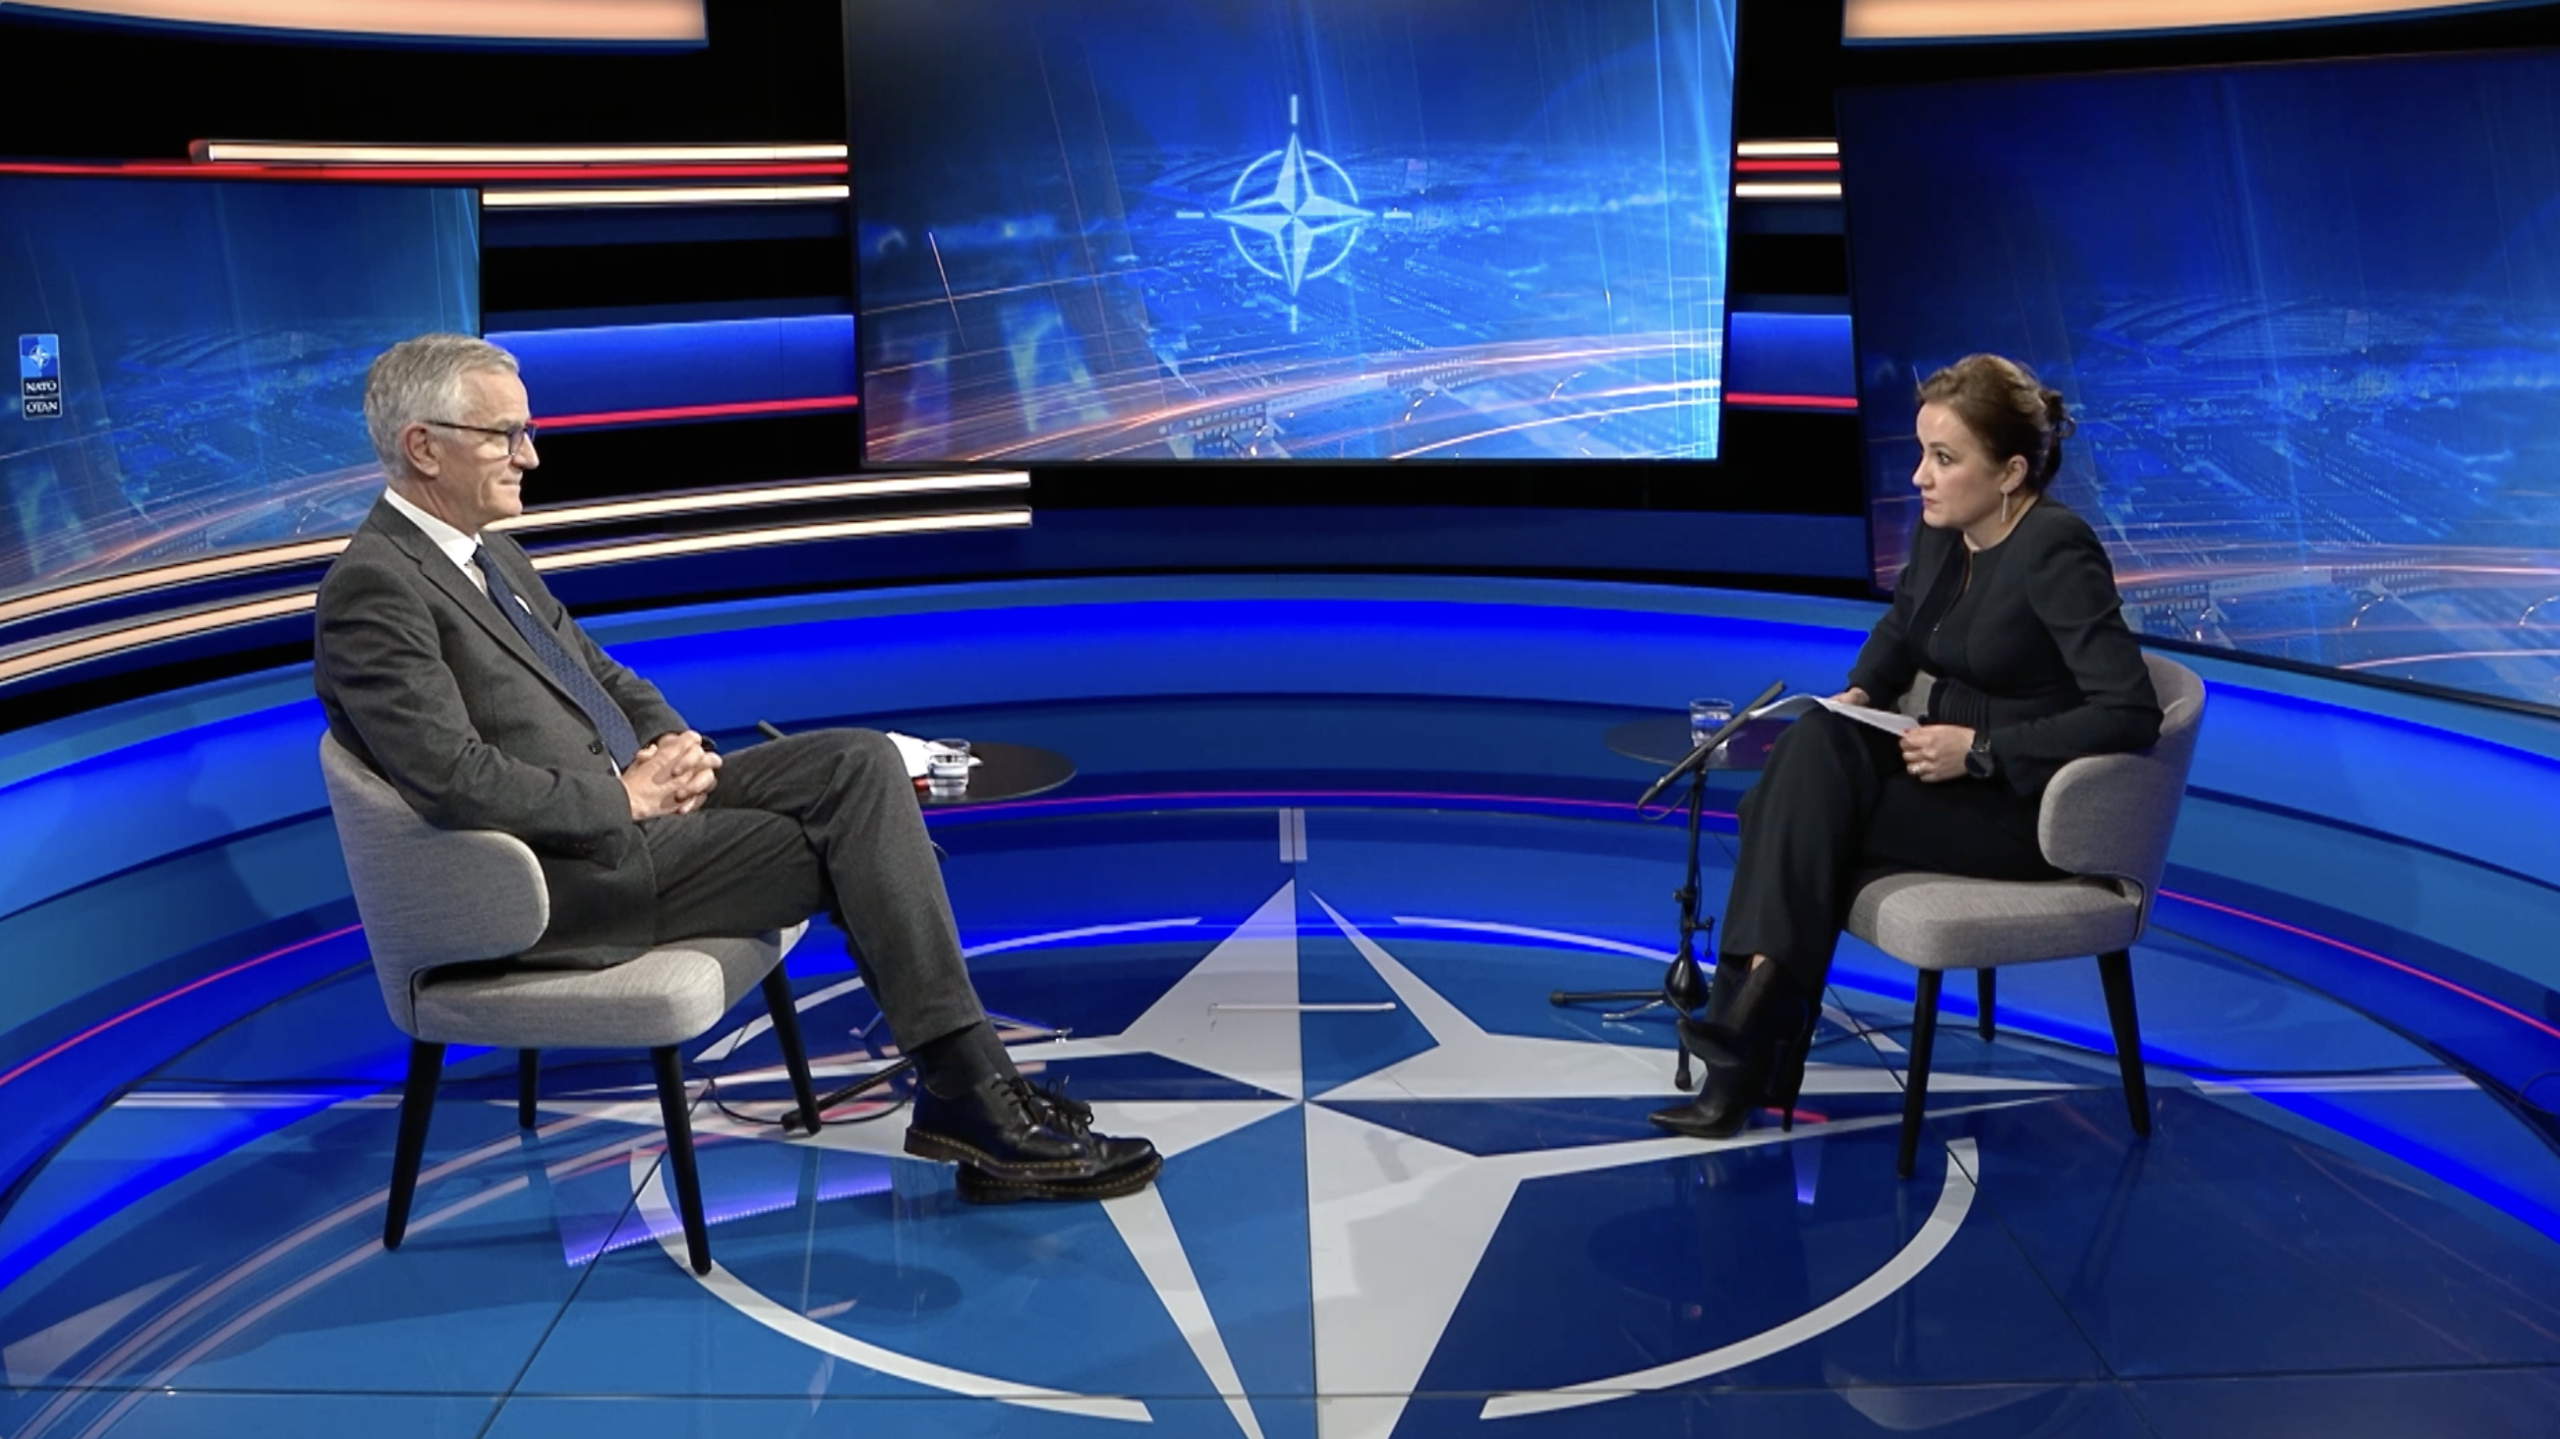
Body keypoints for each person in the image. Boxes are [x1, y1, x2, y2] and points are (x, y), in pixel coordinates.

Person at [314, 333, 1157, 1202]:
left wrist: (675, 752)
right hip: (569, 871)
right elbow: (452, 777)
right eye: (506, 435)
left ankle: (966, 1090)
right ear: (424, 447)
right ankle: (975, 1094)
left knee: (860, 762)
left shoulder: (486, 551)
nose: (530, 455)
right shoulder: (374, 589)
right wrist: (622, 798)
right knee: (851, 849)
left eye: (527, 432)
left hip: (636, 808)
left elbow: (601, 675)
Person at [1651, 354, 2162, 1139]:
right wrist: (1860, 693)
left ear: (2010, 472)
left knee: (1782, 813)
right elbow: (1901, 626)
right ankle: (1757, 1025)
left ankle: (1749, 1041)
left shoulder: (2056, 549)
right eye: (1922, 453)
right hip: (1935, 773)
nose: (1921, 476)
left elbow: (2130, 710)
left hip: (2019, 808)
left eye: (1944, 458)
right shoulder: (1944, 532)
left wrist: (1982, 749)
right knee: (1816, 740)